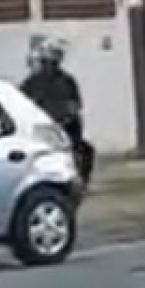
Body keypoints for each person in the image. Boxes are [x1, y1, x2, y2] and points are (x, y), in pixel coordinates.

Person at [21, 36, 95, 186]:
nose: (50, 65)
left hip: (65, 127)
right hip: (43, 131)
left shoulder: (67, 81)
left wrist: (68, 118)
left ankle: (80, 183)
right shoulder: (31, 83)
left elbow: (75, 105)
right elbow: (24, 108)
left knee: (86, 151)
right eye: (48, 61)